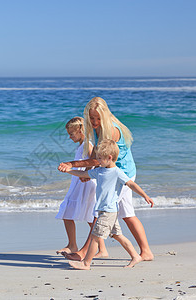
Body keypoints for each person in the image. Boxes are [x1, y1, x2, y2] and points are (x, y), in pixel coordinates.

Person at [58, 97, 154, 262]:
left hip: (120, 174)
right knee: (126, 214)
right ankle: (146, 252)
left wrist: (71, 164)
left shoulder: (112, 130)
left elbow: (97, 159)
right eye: (92, 118)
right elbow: (96, 159)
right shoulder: (96, 129)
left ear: (105, 116)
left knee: (102, 212)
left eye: (98, 118)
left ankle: (83, 253)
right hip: (112, 172)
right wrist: (88, 171)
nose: (94, 121)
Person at [62, 139, 154, 270]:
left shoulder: (117, 172)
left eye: (99, 158)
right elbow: (83, 173)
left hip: (109, 212)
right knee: (117, 235)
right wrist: (68, 170)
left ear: (109, 158)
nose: (97, 161)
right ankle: (135, 256)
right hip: (103, 210)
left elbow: (131, 184)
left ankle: (86, 263)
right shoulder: (99, 171)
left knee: (95, 236)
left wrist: (145, 196)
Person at [55, 117, 108, 257]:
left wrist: (87, 173)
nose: (69, 137)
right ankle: (99, 249)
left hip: (85, 184)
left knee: (69, 211)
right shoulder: (82, 145)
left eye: (72, 134)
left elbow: (94, 161)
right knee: (89, 217)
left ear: (80, 130)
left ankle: (74, 245)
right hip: (79, 182)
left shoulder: (88, 144)